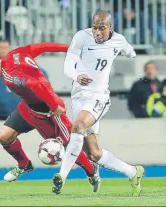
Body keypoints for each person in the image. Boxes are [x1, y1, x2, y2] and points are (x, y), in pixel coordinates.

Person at [0, 42, 100, 191]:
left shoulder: (9, 75)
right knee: (4, 137)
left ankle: (92, 172)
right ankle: (24, 165)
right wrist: (69, 48)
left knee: (70, 146)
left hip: (48, 111)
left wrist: (53, 106)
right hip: (28, 107)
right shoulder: (16, 53)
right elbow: (44, 46)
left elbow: (34, 84)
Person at [52, 10, 144, 196]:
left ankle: (62, 175)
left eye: (102, 28)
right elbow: (68, 64)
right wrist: (77, 75)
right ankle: (134, 172)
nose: (98, 32)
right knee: (94, 154)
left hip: (99, 96)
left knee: (78, 126)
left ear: (110, 27)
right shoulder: (81, 37)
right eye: (95, 28)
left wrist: (130, 54)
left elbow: (130, 52)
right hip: (79, 97)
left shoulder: (118, 40)